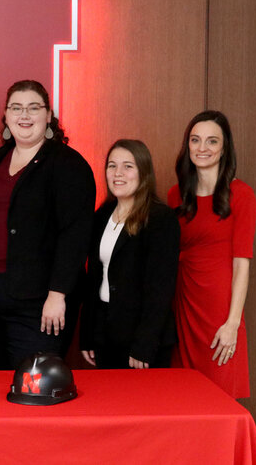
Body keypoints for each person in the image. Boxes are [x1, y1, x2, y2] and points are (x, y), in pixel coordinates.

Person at [0, 80, 95, 370]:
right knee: (5, 377)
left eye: (33, 108)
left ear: (48, 115)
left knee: (33, 381)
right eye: (16, 108)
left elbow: (75, 235)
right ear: (7, 116)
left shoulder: (68, 165)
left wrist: (58, 293)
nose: (24, 115)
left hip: (39, 298)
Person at [169, 110, 256, 398]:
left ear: (224, 148)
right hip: (184, 302)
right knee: (184, 393)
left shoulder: (241, 194)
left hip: (220, 307)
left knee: (220, 392)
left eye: (211, 141)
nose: (202, 148)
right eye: (195, 140)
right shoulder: (175, 195)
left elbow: (242, 264)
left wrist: (233, 323)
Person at [80, 140, 180, 369]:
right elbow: (93, 279)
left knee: (143, 405)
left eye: (128, 166)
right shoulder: (101, 215)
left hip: (142, 342)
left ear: (143, 172)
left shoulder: (160, 219)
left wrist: (144, 344)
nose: (118, 173)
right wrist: (87, 334)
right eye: (112, 166)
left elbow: (160, 289)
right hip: (105, 335)